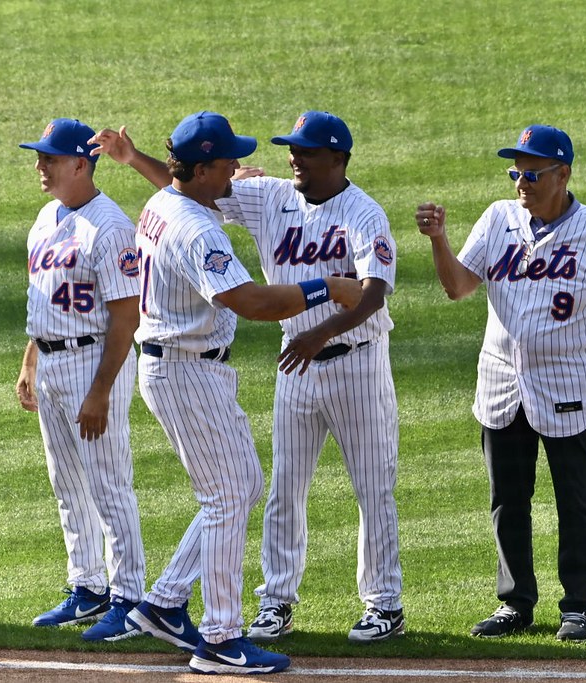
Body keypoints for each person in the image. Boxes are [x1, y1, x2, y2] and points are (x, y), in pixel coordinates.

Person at [90, 110, 404, 644]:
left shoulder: (363, 214)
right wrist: (135, 158)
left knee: (371, 487)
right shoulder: (270, 196)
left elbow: (373, 294)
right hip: (288, 360)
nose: (293, 157)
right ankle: (275, 601)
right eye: (292, 148)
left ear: (337, 159)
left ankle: (383, 604)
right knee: (279, 488)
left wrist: (321, 332)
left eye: (305, 150)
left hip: (356, 360)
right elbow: (190, 191)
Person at [415, 124, 586, 642]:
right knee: (507, 500)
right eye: (516, 171)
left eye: (533, 172)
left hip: (570, 387)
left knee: (576, 503)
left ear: (563, 174)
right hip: (501, 385)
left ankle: (580, 605)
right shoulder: (499, 219)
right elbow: (458, 287)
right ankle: (515, 602)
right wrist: (438, 240)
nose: (522, 181)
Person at [15, 118, 146, 642]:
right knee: (67, 484)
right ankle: (88, 587)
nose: (40, 166)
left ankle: (130, 596)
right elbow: (41, 295)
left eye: (49, 158)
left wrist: (101, 391)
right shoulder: (47, 216)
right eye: (39, 156)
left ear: (80, 164)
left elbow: (126, 316)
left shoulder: (110, 227)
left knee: (109, 484)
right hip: (51, 362)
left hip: (95, 362)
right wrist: (30, 359)